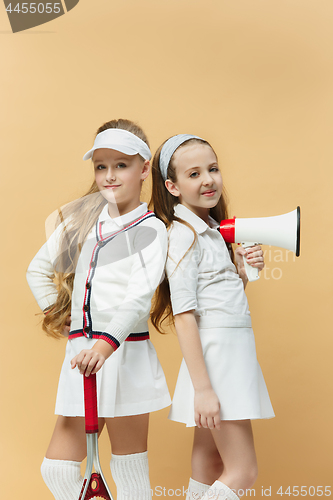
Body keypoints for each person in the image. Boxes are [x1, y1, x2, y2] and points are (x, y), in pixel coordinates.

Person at [26, 119, 171, 500]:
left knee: (130, 474)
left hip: (125, 354)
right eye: (101, 166)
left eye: (121, 165)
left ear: (143, 169)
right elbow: (38, 270)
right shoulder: (80, 220)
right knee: (56, 470)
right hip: (81, 357)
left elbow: (138, 297)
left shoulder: (152, 229)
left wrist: (104, 345)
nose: (109, 175)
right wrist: (67, 323)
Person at [150, 134, 274, 500]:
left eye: (213, 169)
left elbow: (221, 303)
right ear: (172, 186)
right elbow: (185, 315)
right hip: (218, 358)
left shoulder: (212, 234)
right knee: (242, 471)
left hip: (225, 352)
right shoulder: (185, 236)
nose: (208, 180)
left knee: (207, 463)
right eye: (194, 174)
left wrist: (242, 273)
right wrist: (203, 390)